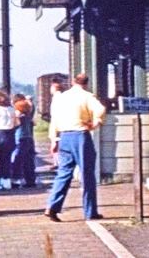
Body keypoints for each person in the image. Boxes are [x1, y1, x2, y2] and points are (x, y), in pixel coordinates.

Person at [44, 73, 107, 222]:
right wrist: (95, 123)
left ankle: (52, 206)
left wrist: (54, 139)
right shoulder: (87, 96)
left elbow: (55, 119)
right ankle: (90, 211)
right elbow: (101, 109)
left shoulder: (62, 98)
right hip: (80, 136)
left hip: (64, 136)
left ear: (73, 82)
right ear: (86, 83)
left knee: (63, 173)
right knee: (87, 174)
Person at [0, 90, 18, 190]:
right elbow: (16, 123)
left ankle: (4, 182)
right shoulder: (11, 109)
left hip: (1, 134)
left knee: (2, 160)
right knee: (8, 160)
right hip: (10, 135)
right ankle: (8, 180)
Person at [11, 93, 37, 188]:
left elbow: (14, 125)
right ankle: (31, 180)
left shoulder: (18, 116)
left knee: (18, 160)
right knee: (29, 161)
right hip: (29, 138)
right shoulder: (28, 115)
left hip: (20, 139)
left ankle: (15, 180)